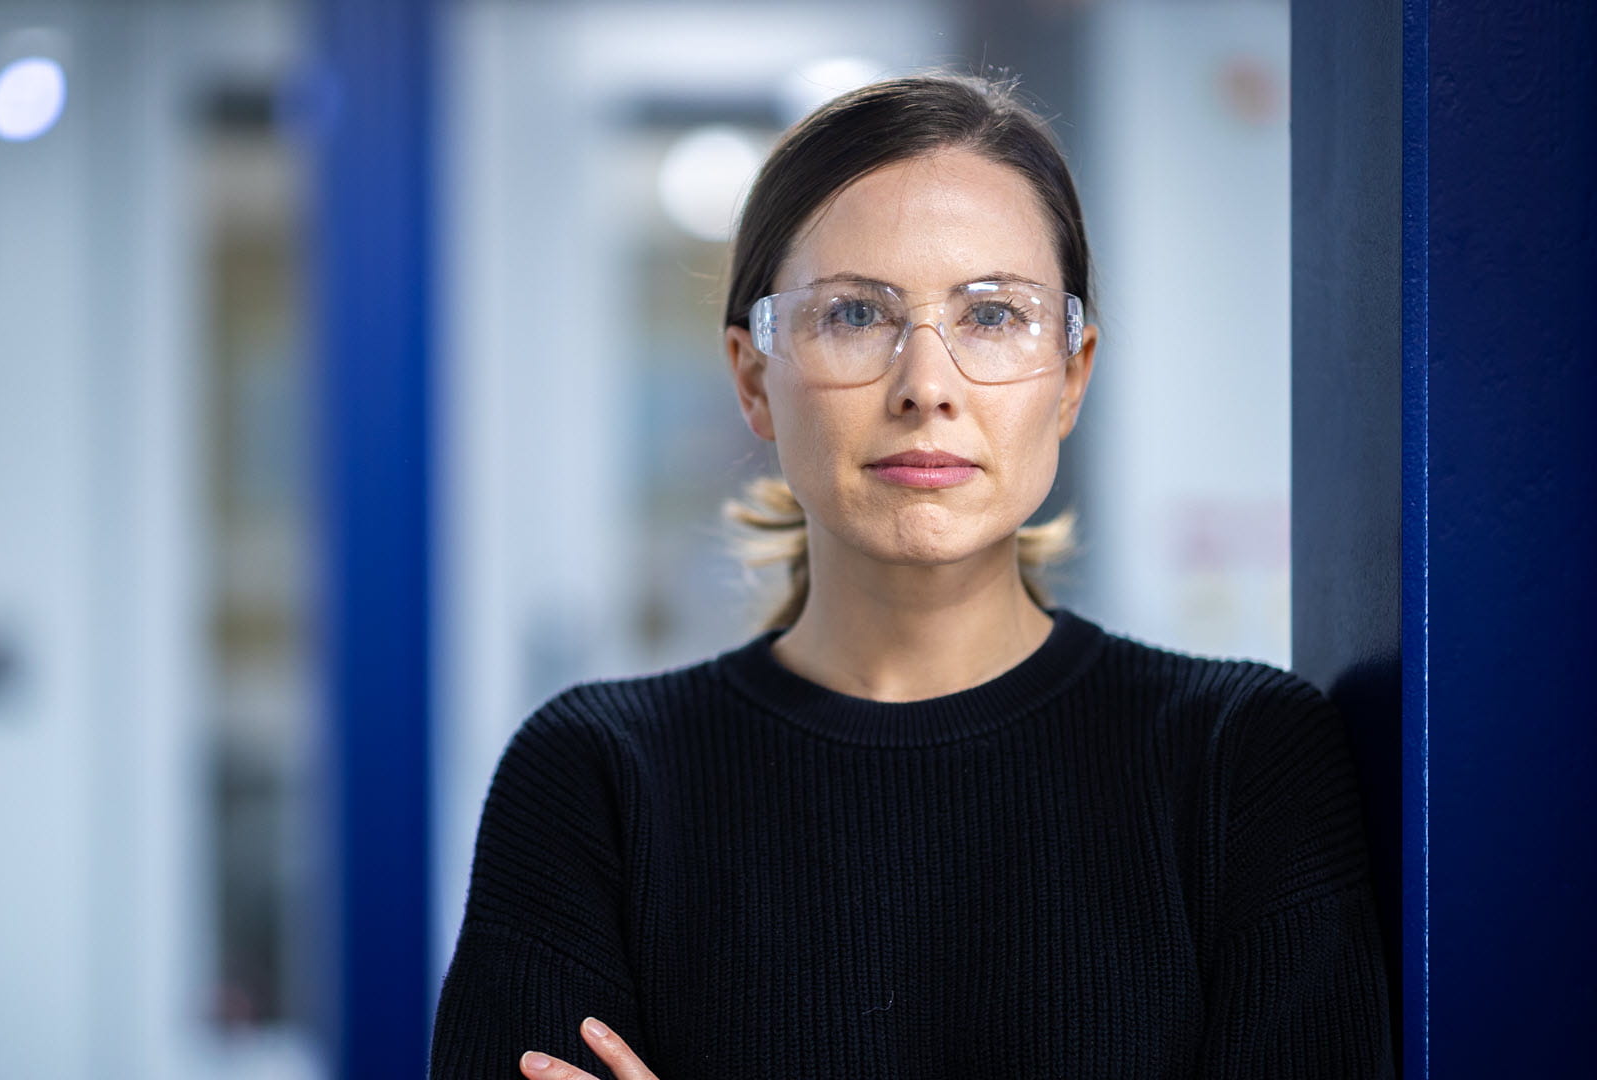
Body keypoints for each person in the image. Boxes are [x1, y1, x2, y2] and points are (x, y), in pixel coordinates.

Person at [429, 71, 1395, 1079]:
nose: (926, 386)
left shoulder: (1243, 762)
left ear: (1071, 376)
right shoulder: (599, 782)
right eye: (854, 315)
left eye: (992, 315)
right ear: (755, 378)